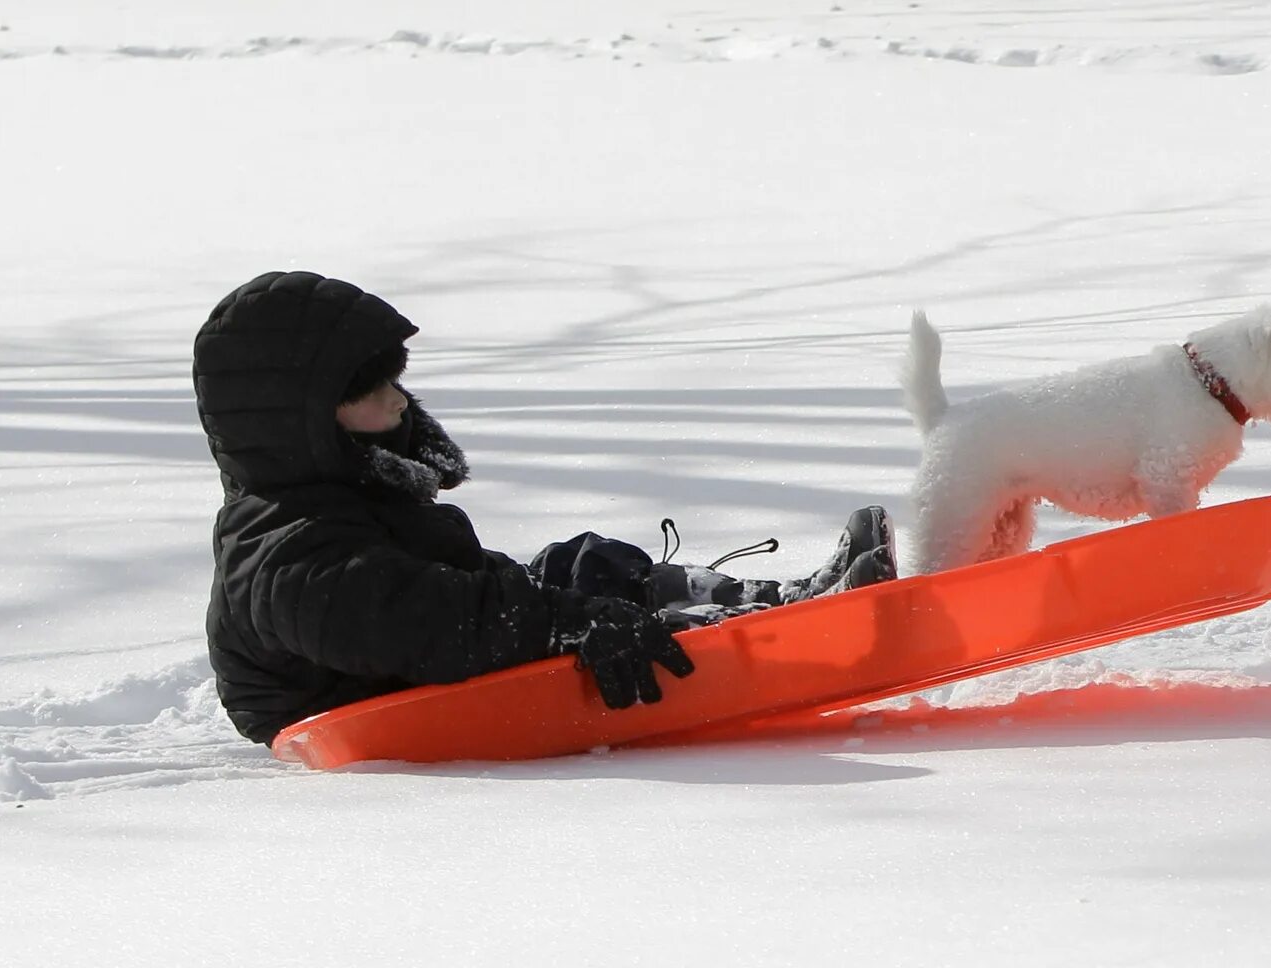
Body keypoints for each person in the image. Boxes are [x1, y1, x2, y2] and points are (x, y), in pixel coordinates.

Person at [194, 270, 894, 745]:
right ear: (302, 420)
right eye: (369, 392)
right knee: (596, 629)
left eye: (395, 383)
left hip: (429, 669)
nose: (399, 403)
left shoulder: (337, 490)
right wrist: (565, 625)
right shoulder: (288, 552)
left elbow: (456, 591)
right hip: (382, 716)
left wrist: (564, 602)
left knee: (577, 567)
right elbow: (431, 621)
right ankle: (752, 639)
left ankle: (779, 601)